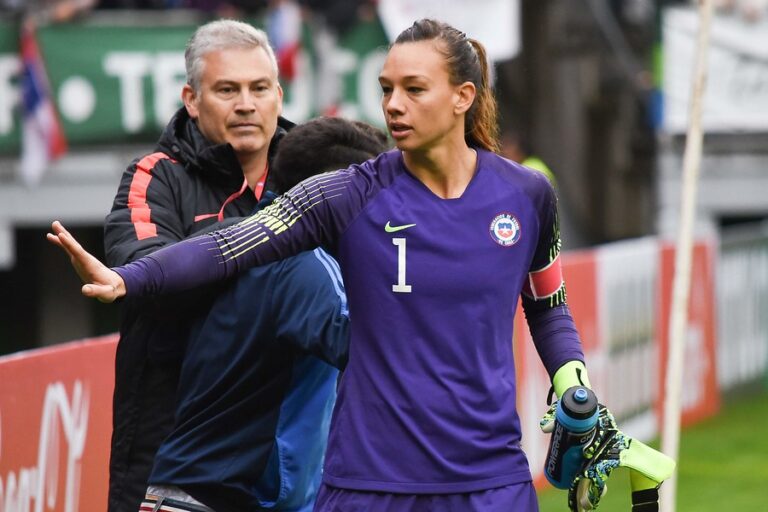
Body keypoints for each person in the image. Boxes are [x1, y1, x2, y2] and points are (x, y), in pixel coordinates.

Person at [49, 19, 672, 511]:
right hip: (365, 485)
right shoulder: (346, 193)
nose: (393, 105)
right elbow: (225, 247)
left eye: (413, 89)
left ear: (463, 97)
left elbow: (549, 306)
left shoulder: (529, 196)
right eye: (385, 89)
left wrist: (573, 384)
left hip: (491, 481)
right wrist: (129, 277)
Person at [140, 116, 389, 512]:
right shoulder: (306, 264)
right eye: (375, 196)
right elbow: (382, 356)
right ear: (333, 194)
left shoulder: (232, 239)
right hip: (228, 501)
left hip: (172, 494)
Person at [101, 19, 289, 512]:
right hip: (172, 462)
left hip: (291, 459)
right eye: (227, 89)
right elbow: (150, 276)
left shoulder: (316, 174)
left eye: (259, 88)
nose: (246, 103)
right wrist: (273, 235)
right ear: (192, 99)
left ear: (279, 96)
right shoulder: (154, 176)